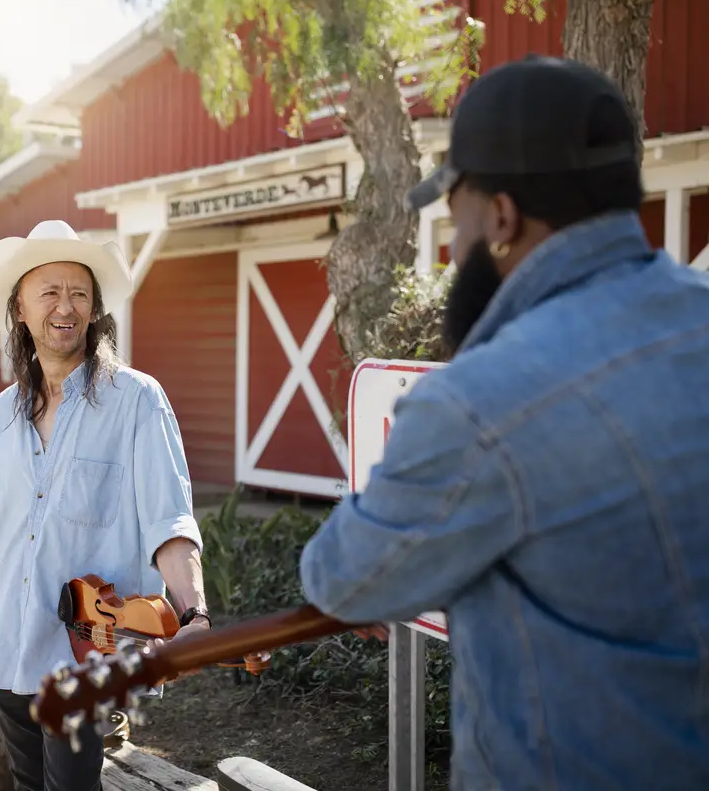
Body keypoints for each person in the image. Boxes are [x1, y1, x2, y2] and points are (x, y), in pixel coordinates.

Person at [298, 55, 709, 790]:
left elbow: (344, 579)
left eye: (456, 213)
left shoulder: (478, 405)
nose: (455, 246)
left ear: (501, 216)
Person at [0, 220, 211, 791]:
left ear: (94, 311)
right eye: (49, 292)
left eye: (79, 294)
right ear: (20, 308)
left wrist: (193, 613)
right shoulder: (1, 415)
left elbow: (170, 524)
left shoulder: (138, 400)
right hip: (8, 657)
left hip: (84, 656)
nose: (64, 307)